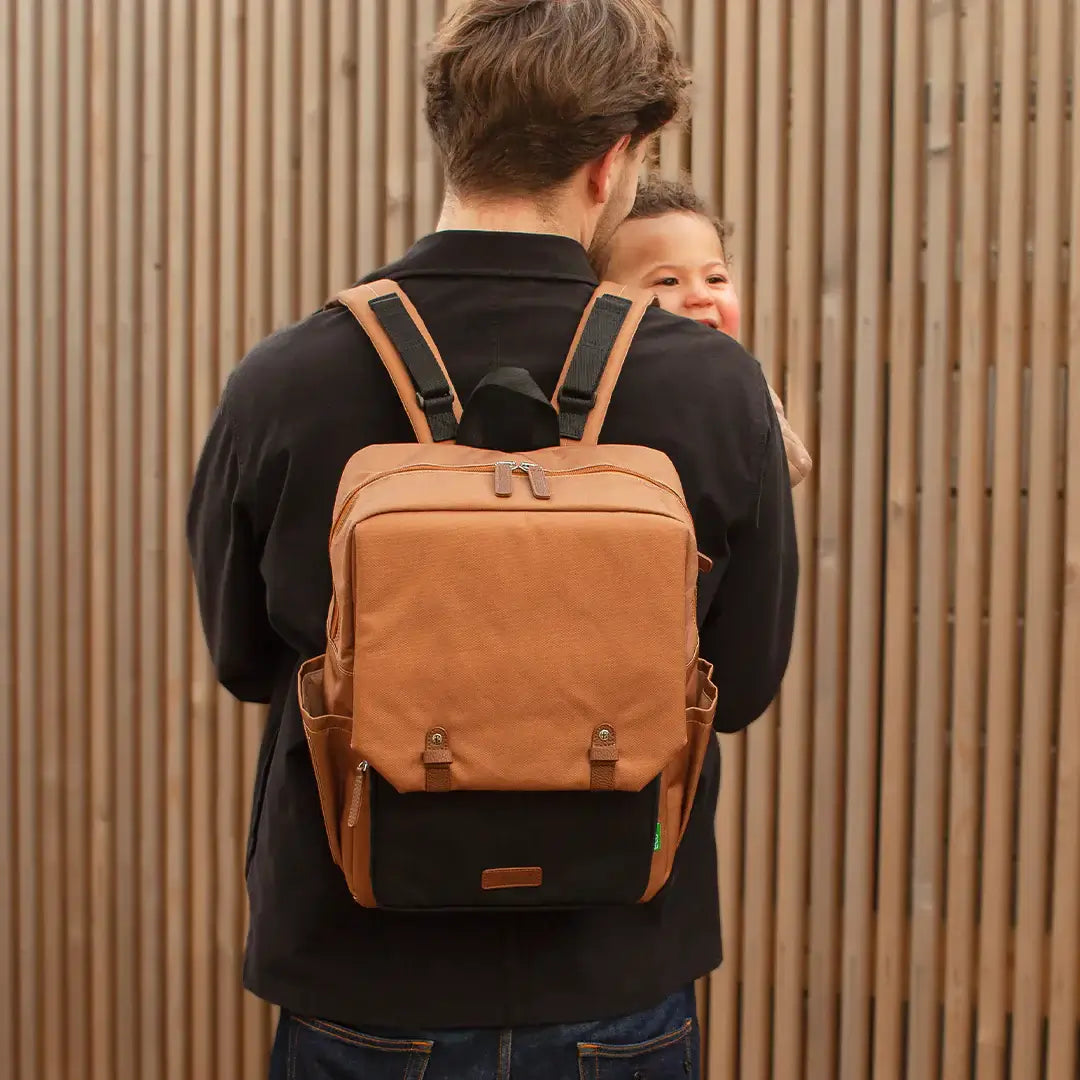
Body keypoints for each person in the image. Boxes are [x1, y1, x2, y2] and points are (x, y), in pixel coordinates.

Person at [187, 2, 798, 1077]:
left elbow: (245, 661)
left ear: (448, 131)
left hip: (361, 973)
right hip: (613, 973)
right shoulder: (713, 385)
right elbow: (737, 687)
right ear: (613, 162)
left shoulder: (283, 378)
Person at [597, 172, 813, 485]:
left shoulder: (741, 384)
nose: (701, 296)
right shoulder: (594, 382)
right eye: (668, 281)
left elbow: (788, 468)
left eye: (715, 279)